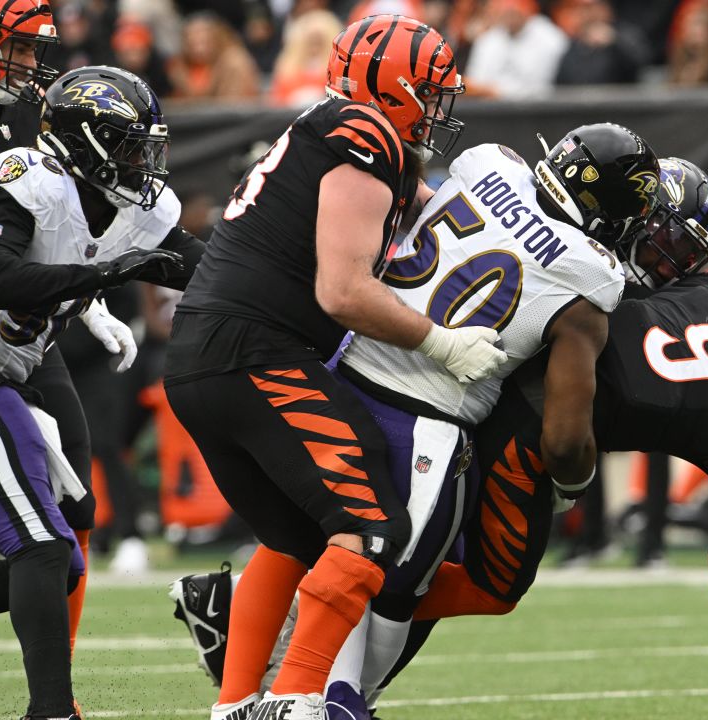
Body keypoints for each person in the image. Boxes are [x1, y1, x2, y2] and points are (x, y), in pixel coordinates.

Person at [175, 160, 708, 707]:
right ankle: (331, 692)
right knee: (457, 576)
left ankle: (264, 664)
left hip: (387, 361)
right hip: (478, 410)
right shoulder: (613, 289)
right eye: (656, 235)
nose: (656, 254)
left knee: (352, 538)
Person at [161, 15, 483, 720]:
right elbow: (343, 290)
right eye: (427, 93)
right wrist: (442, 342)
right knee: (370, 528)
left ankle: (237, 705)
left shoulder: (340, 130)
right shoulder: (365, 135)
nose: (435, 110)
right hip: (255, 352)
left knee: (298, 537)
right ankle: (298, 699)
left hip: (207, 354)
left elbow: (437, 221)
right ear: (390, 87)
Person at [319, 123, 657, 717]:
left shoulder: (487, 162)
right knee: (396, 591)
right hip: (426, 419)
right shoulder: (591, 276)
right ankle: (343, 701)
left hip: (343, 373)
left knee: (328, 551)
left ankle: (293, 683)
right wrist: (572, 486)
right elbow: (565, 433)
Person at [0, 66, 203, 720]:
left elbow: (209, 266)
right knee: (41, 548)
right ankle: (54, 712)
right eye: (131, 144)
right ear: (86, 143)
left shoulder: (136, 207)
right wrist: (104, 276)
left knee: (65, 564)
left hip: (0, 374)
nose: (145, 161)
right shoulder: (27, 175)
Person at [0, 4, 126, 717]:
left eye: (30, 46)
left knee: (73, 511)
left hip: (22, 326)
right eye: (13, 44)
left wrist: (82, 289)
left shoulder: (27, 114)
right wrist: (66, 277)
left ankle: (56, 693)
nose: (26, 60)